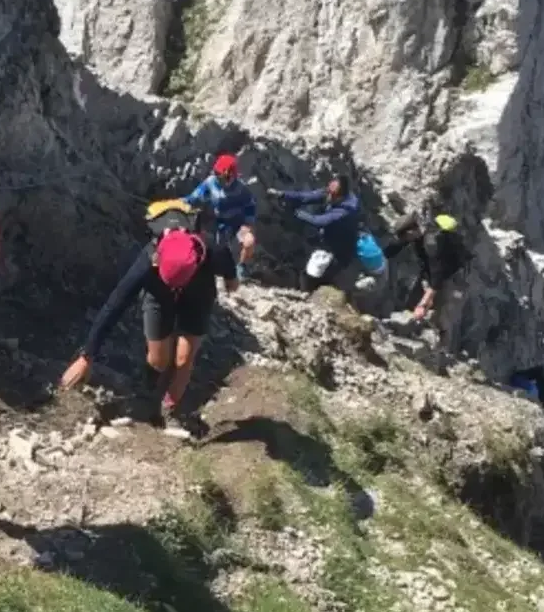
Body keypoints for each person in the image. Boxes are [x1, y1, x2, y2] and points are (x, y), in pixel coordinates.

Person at [59, 207, 238, 437]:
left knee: (184, 358)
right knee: (158, 358)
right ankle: (148, 392)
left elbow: (230, 272)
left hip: (198, 294)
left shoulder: (213, 250)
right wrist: (86, 356)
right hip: (159, 294)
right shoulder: (147, 262)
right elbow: (114, 306)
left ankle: (170, 410)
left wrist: (232, 281)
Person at [273, 177, 362, 293]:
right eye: (328, 192)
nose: (328, 196)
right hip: (329, 237)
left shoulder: (345, 211)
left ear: (341, 196)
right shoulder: (334, 193)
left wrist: (294, 212)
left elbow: (318, 221)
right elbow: (306, 197)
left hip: (336, 251)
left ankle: (307, 295)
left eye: (332, 195)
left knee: (309, 275)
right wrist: (283, 194)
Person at [384, 212, 470, 322]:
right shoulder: (420, 229)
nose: (404, 240)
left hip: (451, 271)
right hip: (434, 266)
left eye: (405, 237)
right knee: (422, 294)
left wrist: (422, 305)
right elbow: (401, 244)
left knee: (442, 310)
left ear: (411, 232)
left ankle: (441, 328)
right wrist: (383, 254)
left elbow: (437, 279)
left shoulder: (431, 244)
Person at [183, 153, 257, 280]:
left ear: (233, 176)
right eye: (218, 175)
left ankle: (242, 266)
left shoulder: (241, 189)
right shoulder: (210, 183)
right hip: (216, 224)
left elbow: (250, 206)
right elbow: (194, 198)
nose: (221, 179)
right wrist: (179, 203)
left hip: (237, 225)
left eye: (226, 177)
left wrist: (247, 225)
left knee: (249, 242)